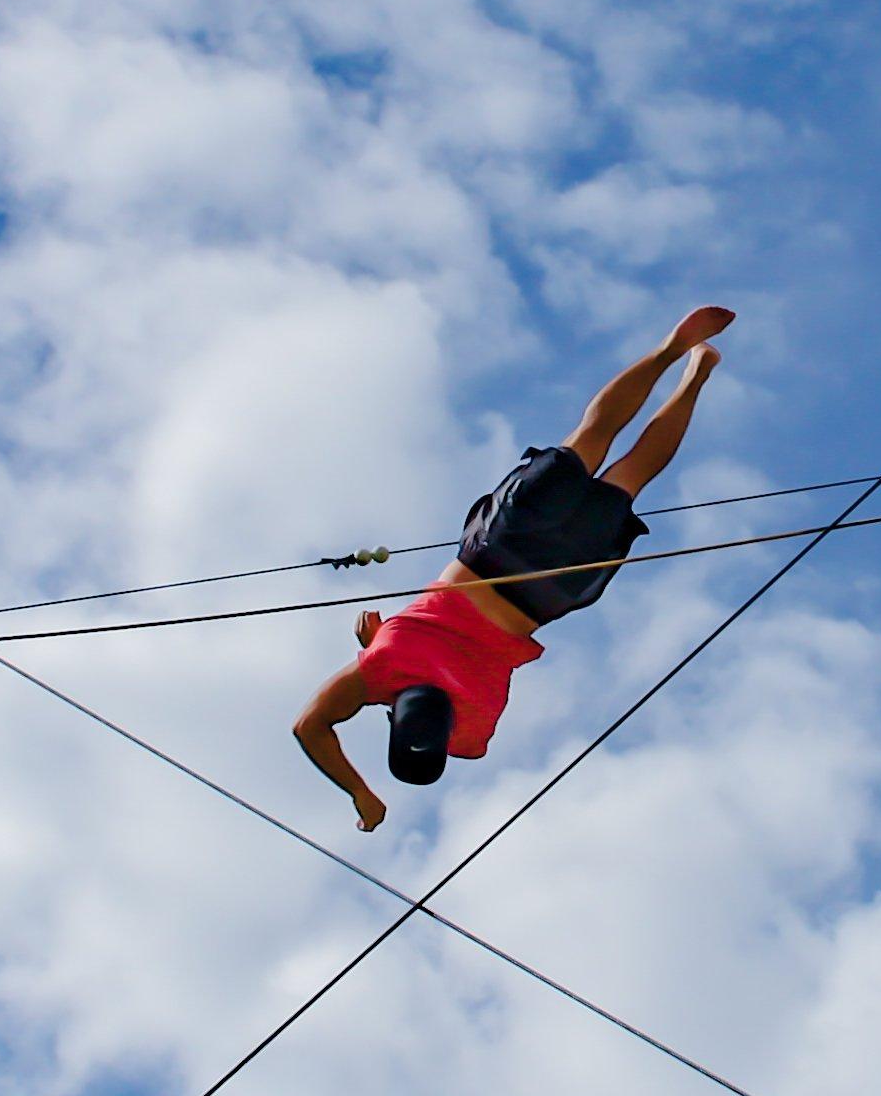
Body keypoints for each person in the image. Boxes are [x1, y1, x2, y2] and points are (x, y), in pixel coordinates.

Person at [293, 307, 732, 827]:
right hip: (494, 554)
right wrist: (358, 781)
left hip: (553, 589)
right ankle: (668, 351)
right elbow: (310, 726)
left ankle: (697, 374)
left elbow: (438, 690)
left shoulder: (472, 730)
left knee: (630, 475)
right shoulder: (382, 665)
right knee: (590, 437)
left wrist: (369, 790)